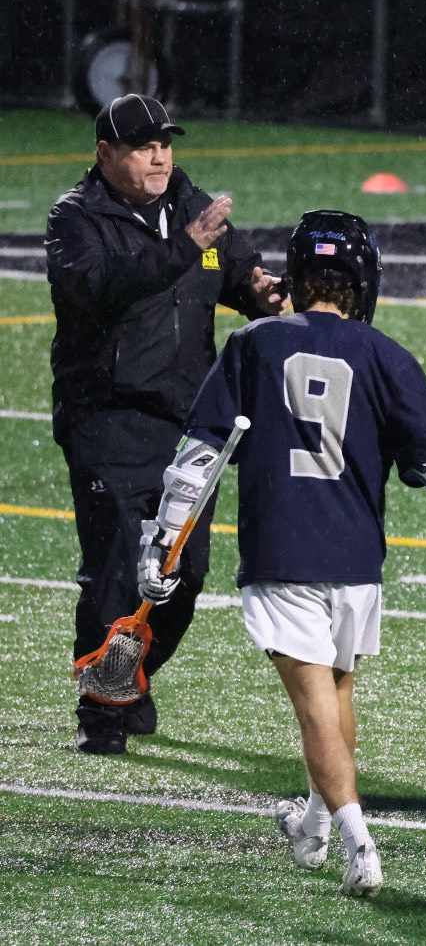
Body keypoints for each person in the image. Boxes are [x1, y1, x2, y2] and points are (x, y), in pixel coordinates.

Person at [136, 210, 426, 898]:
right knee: (335, 696)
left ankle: (357, 837)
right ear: (361, 281)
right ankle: (311, 821)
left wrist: (163, 541)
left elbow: (197, 462)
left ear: (298, 277)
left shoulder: (253, 343)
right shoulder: (388, 356)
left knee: (315, 707)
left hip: (283, 553)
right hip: (358, 557)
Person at [46, 94, 286, 756]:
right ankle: (101, 709)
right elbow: (101, 287)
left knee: (185, 573)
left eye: (165, 142)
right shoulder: (75, 220)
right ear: (105, 154)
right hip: (107, 419)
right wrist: (185, 247)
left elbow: (234, 268)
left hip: (187, 426)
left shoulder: (189, 204)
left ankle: (131, 675)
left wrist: (261, 292)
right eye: (142, 145)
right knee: (120, 566)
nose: (159, 155)